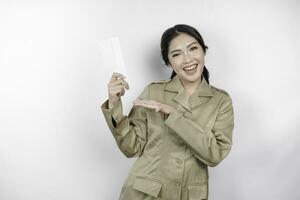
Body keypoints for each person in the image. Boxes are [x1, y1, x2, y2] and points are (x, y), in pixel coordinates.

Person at [101, 24, 234, 200]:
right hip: (145, 194)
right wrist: (114, 104)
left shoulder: (221, 101)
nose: (187, 59)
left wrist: (173, 115)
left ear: (203, 51)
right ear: (168, 62)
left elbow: (215, 155)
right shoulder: (153, 92)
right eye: (176, 54)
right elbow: (131, 148)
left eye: (193, 49)